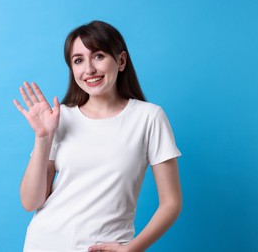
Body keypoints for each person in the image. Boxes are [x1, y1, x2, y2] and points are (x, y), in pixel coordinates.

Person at [13, 20, 182, 252]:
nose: (89, 69)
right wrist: (43, 137)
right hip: (43, 244)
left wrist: (133, 248)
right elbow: (30, 202)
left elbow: (171, 203)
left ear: (121, 61)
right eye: (79, 60)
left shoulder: (149, 118)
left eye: (99, 56)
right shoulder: (60, 118)